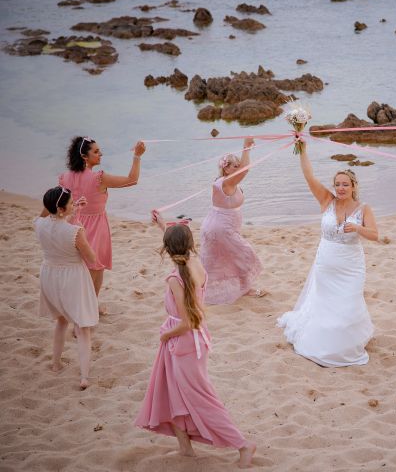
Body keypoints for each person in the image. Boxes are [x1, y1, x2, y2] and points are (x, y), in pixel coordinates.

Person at [134, 211, 255, 467]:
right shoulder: (195, 262)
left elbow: (189, 320)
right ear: (190, 244)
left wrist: (166, 333)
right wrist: (163, 226)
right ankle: (185, 447)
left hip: (182, 340)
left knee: (200, 396)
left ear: (167, 249)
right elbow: (179, 246)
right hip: (195, 339)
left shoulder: (175, 278)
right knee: (173, 393)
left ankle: (243, 444)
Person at [277, 138, 378, 367]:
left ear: (353, 186)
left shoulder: (363, 209)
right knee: (325, 306)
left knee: (349, 303)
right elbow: (309, 176)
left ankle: (348, 341)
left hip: (351, 265)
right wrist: (302, 148)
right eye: (337, 184)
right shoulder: (327, 201)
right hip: (326, 264)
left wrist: (359, 228)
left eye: (345, 184)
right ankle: (326, 343)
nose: (340, 188)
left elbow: (375, 235)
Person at [59, 136, 146, 312]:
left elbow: (61, 206)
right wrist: (137, 156)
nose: (101, 154)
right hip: (95, 227)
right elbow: (132, 179)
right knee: (96, 269)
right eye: (96, 151)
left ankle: (88, 306)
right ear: (84, 156)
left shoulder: (64, 178)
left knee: (78, 268)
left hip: (71, 225)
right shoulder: (99, 178)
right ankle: (86, 309)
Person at [34, 186, 99, 390]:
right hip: (72, 277)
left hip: (49, 274)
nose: (74, 205)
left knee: (61, 320)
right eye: (71, 203)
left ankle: (55, 363)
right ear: (61, 209)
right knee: (83, 327)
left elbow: (46, 213)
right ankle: (85, 376)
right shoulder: (75, 231)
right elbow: (91, 258)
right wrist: (77, 221)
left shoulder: (39, 224)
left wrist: (70, 209)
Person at [200, 137, 265, 305]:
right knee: (244, 255)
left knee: (228, 259)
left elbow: (243, 171)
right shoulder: (223, 183)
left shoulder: (231, 183)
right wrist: (246, 148)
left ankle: (243, 288)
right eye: (234, 166)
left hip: (224, 228)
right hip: (219, 229)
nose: (238, 168)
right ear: (226, 169)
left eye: (238, 165)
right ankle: (244, 289)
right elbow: (245, 170)